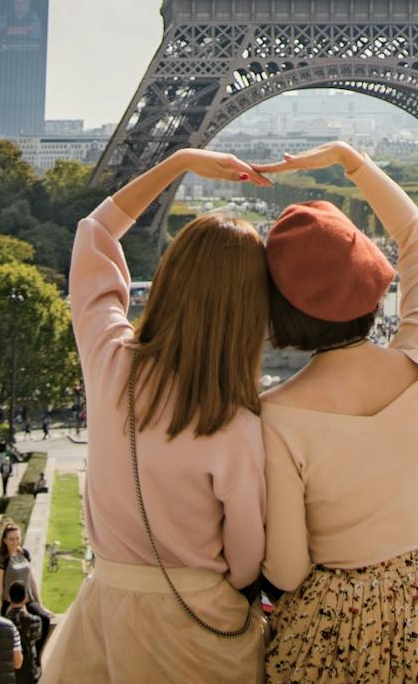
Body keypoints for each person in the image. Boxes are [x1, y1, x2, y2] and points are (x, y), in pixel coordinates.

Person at [40, 147, 273, 684]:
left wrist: (180, 161)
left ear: (168, 279)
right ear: (250, 312)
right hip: (199, 626)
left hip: (108, 613)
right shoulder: (236, 427)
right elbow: (244, 563)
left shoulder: (109, 362)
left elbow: (95, 232)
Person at [257, 140, 418, 684]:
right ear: (372, 283)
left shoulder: (277, 415)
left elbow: (286, 569)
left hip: (336, 621)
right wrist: (349, 160)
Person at [0, 523, 53, 655]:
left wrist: (41, 605)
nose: (15, 542)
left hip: (27, 599)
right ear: (5, 541)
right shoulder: (2, 559)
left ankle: (36, 655)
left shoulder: (24, 553)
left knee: (44, 619)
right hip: (10, 602)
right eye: (11, 539)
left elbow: (31, 580)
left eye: (17, 538)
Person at [5, 581, 43, 684]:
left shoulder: (4, 623)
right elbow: (37, 638)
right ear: (25, 598)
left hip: (11, 672)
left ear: (9, 597)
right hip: (30, 670)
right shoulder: (35, 621)